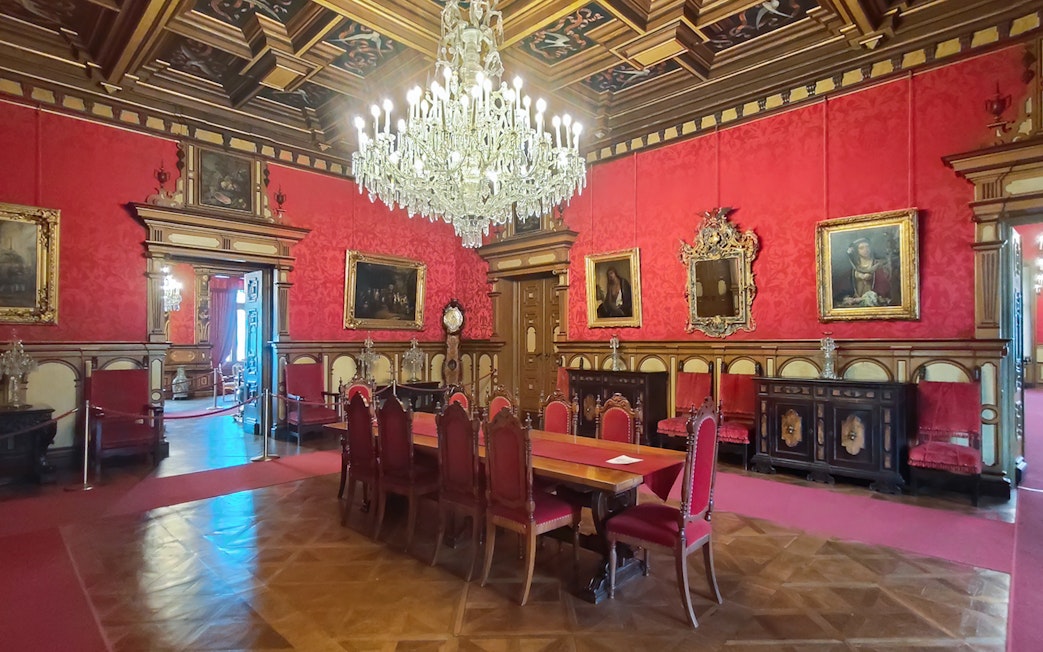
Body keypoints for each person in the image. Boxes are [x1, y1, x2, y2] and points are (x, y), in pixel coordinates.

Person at [839, 237, 891, 307]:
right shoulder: (854, 267)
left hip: (874, 301)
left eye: (867, 247)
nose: (866, 250)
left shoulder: (879, 264)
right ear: (856, 251)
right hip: (856, 300)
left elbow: (884, 285)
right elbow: (845, 286)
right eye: (861, 248)